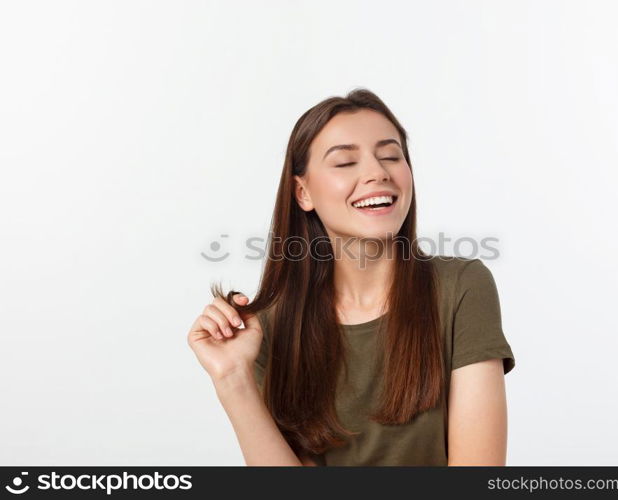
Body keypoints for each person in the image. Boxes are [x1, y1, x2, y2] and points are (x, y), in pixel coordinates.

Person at [187, 88, 516, 466]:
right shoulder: (267, 328)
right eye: (345, 163)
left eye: (391, 156)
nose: (377, 172)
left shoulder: (461, 287)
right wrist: (232, 378)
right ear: (303, 192)